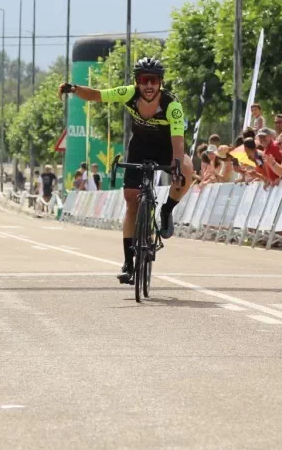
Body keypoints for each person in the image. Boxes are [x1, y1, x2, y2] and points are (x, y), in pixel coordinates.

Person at [60, 56, 194, 284]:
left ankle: (166, 211)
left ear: (160, 82)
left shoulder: (172, 105)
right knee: (131, 201)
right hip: (139, 147)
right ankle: (128, 262)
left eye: (153, 81)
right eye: (144, 80)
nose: (149, 86)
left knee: (187, 172)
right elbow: (96, 95)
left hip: (167, 146)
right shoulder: (128, 93)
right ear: (137, 82)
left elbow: (178, 142)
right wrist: (73, 88)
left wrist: (177, 166)